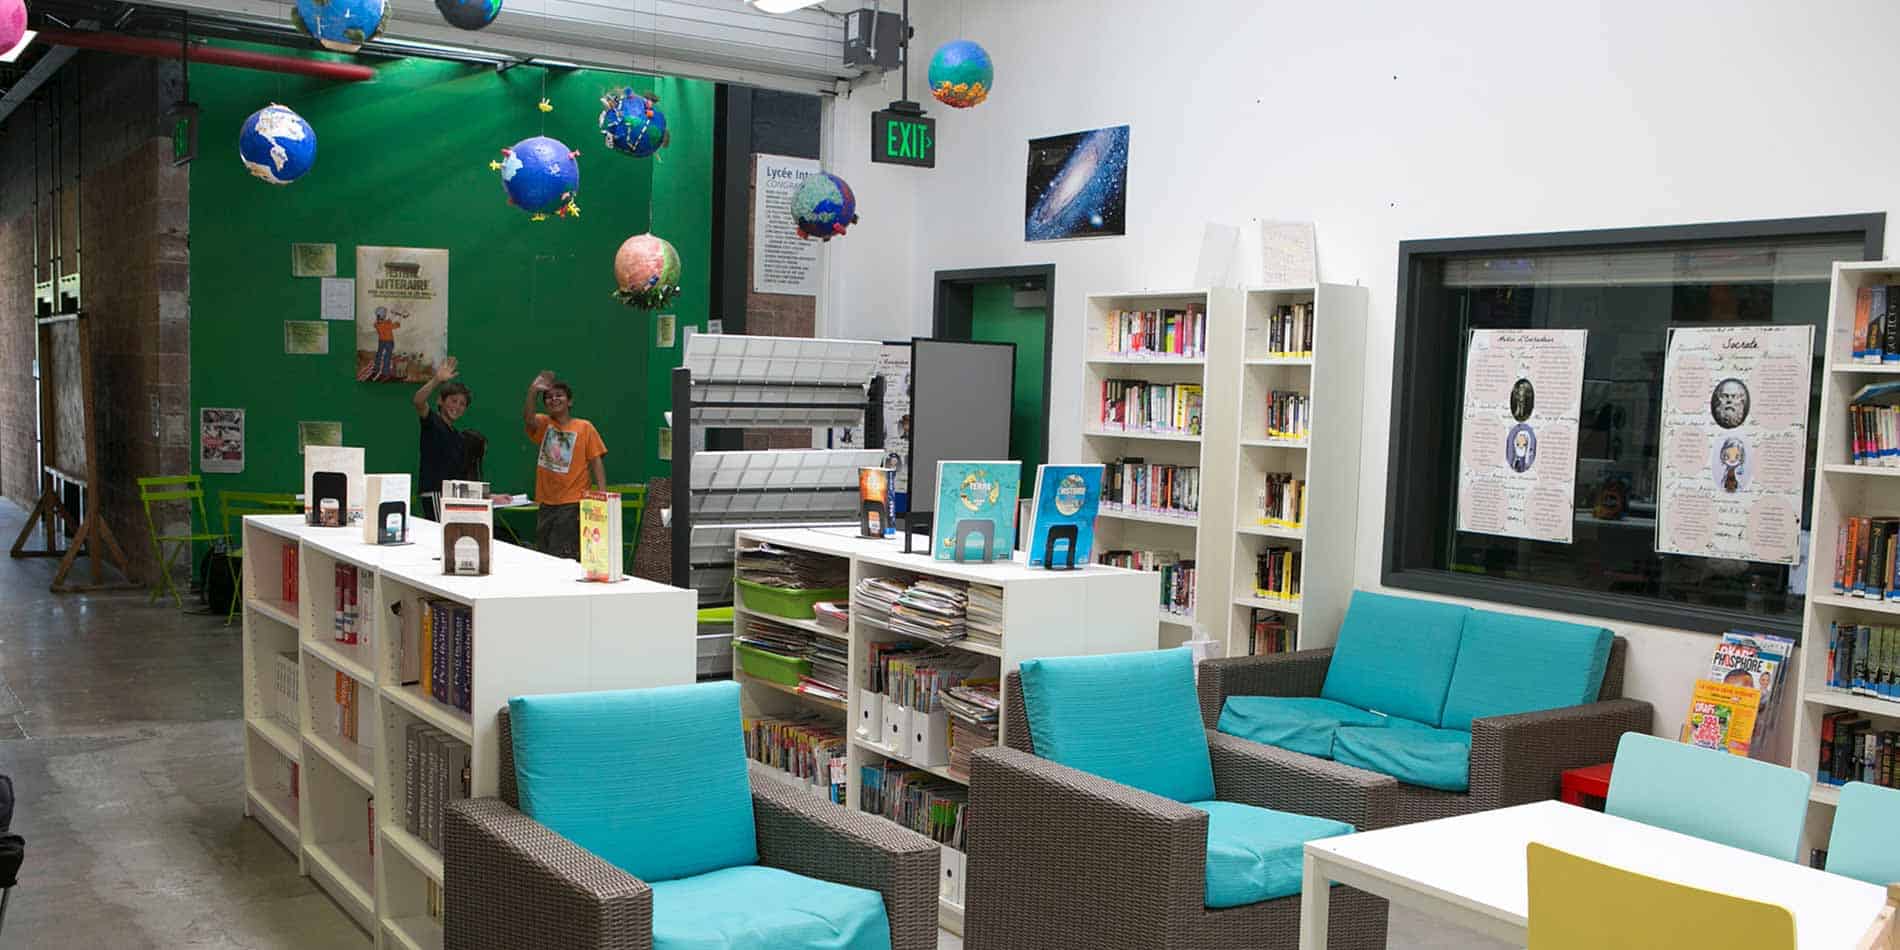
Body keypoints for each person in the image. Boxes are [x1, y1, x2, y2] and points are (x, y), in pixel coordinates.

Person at [523, 370, 607, 559]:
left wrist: (602, 495)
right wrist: (533, 391)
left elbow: (596, 461)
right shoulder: (543, 423)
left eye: (559, 395)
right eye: (549, 397)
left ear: (570, 401)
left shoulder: (585, 427)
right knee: (545, 554)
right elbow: (528, 418)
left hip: (573, 502)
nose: (554, 399)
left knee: (563, 555)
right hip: (546, 503)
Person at [413, 356, 469, 519]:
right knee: (441, 533)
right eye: (453, 401)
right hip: (435, 494)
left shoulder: (458, 437)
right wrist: (437, 379)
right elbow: (418, 401)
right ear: (440, 401)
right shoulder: (433, 422)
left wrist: (489, 496)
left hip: (453, 495)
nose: (457, 407)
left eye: (462, 404)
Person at [371, 307, 404, 380]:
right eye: (385, 314)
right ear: (384, 315)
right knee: (387, 357)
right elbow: (397, 325)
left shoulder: (376, 324)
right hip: (389, 342)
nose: (386, 315)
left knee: (379, 355)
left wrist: (394, 315)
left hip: (381, 341)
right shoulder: (387, 325)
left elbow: (388, 321)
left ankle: (375, 369)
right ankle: (385, 373)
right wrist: (400, 317)